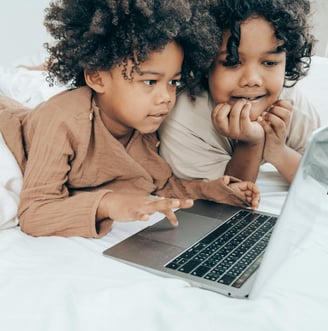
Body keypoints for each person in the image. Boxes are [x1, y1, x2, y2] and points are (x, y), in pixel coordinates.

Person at [0, 0, 259, 238]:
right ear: (97, 77)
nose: (166, 97)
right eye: (149, 81)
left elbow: (163, 184)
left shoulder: (143, 125)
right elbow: (34, 212)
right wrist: (107, 203)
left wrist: (210, 190)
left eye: (173, 82)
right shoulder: (63, 121)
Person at [159, 0, 321, 184]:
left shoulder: (290, 103)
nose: (252, 80)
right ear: (205, 64)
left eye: (269, 63)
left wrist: (279, 153)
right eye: (232, 62)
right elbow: (231, 199)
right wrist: (250, 143)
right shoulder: (184, 119)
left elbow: (321, 180)